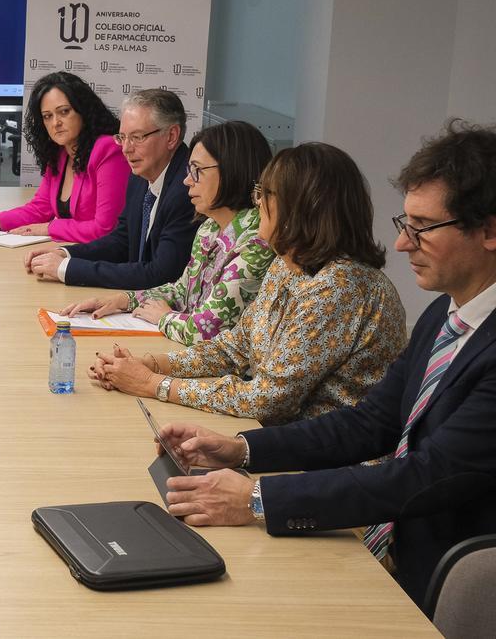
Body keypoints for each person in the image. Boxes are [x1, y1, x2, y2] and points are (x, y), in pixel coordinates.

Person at [154, 121, 496, 613]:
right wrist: (241, 448)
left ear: (488, 231)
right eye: (405, 225)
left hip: (436, 582)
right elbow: (371, 422)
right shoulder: (448, 313)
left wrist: (259, 498)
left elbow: (427, 475)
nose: (402, 245)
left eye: (422, 228)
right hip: (382, 532)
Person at [91, 142, 406, 425]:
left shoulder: (340, 286)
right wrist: (150, 364)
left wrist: (151, 383)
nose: (257, 204)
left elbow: (268, 400)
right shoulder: (287, 266)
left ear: (299, 209)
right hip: (287, 443)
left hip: (326, 466)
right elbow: (233, 349)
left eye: (265, 194)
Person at [61, 121, 275, 345]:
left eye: (197, 171)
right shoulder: (209, 228)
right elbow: (182, 291)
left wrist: (164, 317)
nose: (187, 180)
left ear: (233, 170)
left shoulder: (256, 240)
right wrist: (123, 300)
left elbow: (205, 332)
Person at [23, 88, 198, 289]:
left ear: (171, 136)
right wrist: (66, 253)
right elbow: (122, 240)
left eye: (137, 137)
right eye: (122, 137)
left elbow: (160, 275)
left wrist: (67, 269)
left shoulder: (187, 189)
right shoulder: (141, 174)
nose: (126, 149)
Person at [0, 71, 130, 242]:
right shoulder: (60, 153)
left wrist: (49, 228)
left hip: (104, 260)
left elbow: (106, 229)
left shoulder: (109, 149)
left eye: (64, 112)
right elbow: (40, 209)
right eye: (47, 116)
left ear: (84, 111)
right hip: (71, 251)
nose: (55, 123)